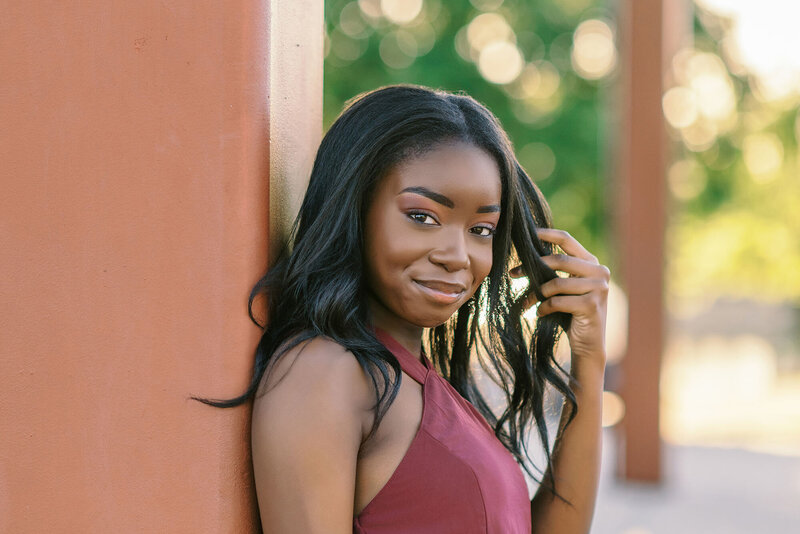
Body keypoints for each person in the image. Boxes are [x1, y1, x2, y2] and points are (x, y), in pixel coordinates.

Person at [199, 84, 609, 533]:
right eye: (422, 216)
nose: (457, 254)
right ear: (355, 209)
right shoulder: (325, 373)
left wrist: (589, 360)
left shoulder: (424, 383)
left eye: (481, 228)